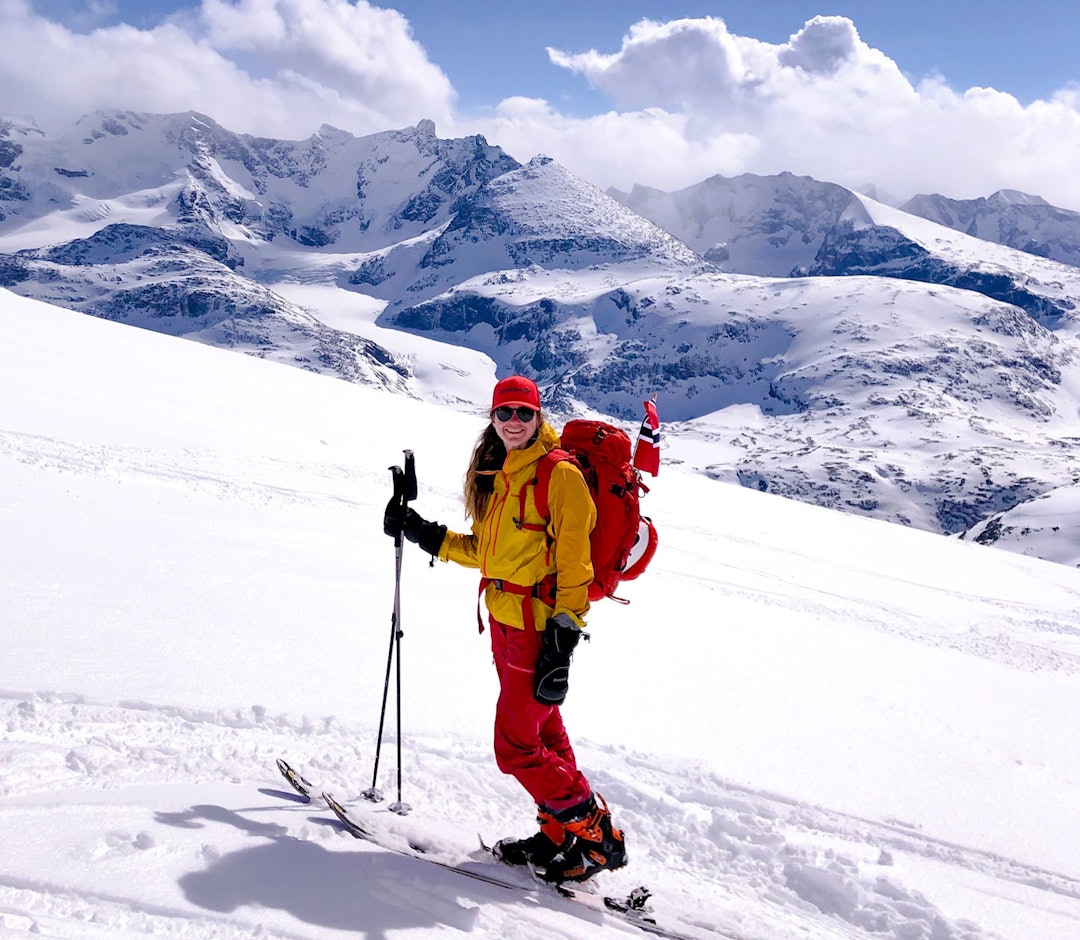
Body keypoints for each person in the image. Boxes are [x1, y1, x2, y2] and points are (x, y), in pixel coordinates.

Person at [385, 375, 627, 884]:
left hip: (538, 630)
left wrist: (563, 639)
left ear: (539, 416)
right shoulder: (504, 472)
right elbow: (487, 554)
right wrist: (424, 532)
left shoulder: (558, 475)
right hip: (503, 621)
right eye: (505, 413)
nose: (514, 422)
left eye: (524, 413)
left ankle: (598, 837)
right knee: (544, 732)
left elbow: (575, 565)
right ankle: (559, 835)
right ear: (492, 419)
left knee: (514, 746)